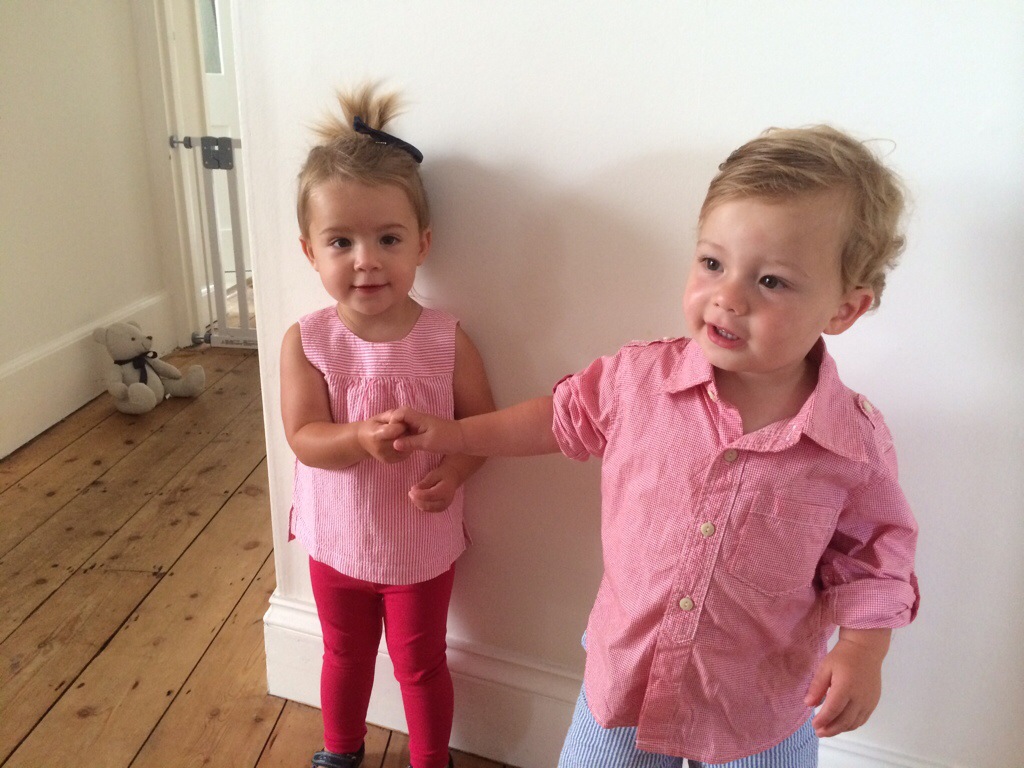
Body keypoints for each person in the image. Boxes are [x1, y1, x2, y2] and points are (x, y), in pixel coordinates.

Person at [390, 126, 919, 767]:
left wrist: (863, 649)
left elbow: (875, 557)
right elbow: (556, 419)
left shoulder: (851, 443)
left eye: (772, 281)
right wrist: (455, 434)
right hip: (627, 681)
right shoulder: (638, 380)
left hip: (758, 706)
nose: (727, 297)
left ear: (844, 309)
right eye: (712, 263)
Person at [280, 84, 495, 768]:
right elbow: (303, 437)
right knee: (343, 653)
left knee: (421, 662)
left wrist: (452, 474)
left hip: (418, 547)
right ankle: (340, 752)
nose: (365, 259)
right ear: (311, 252)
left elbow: (480, 428)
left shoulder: (446, 339)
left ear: (422, 244)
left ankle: (431, 759)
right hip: (336, 540)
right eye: (340, 241)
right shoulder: (309, 341)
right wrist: (357, 439)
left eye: (388, 239)